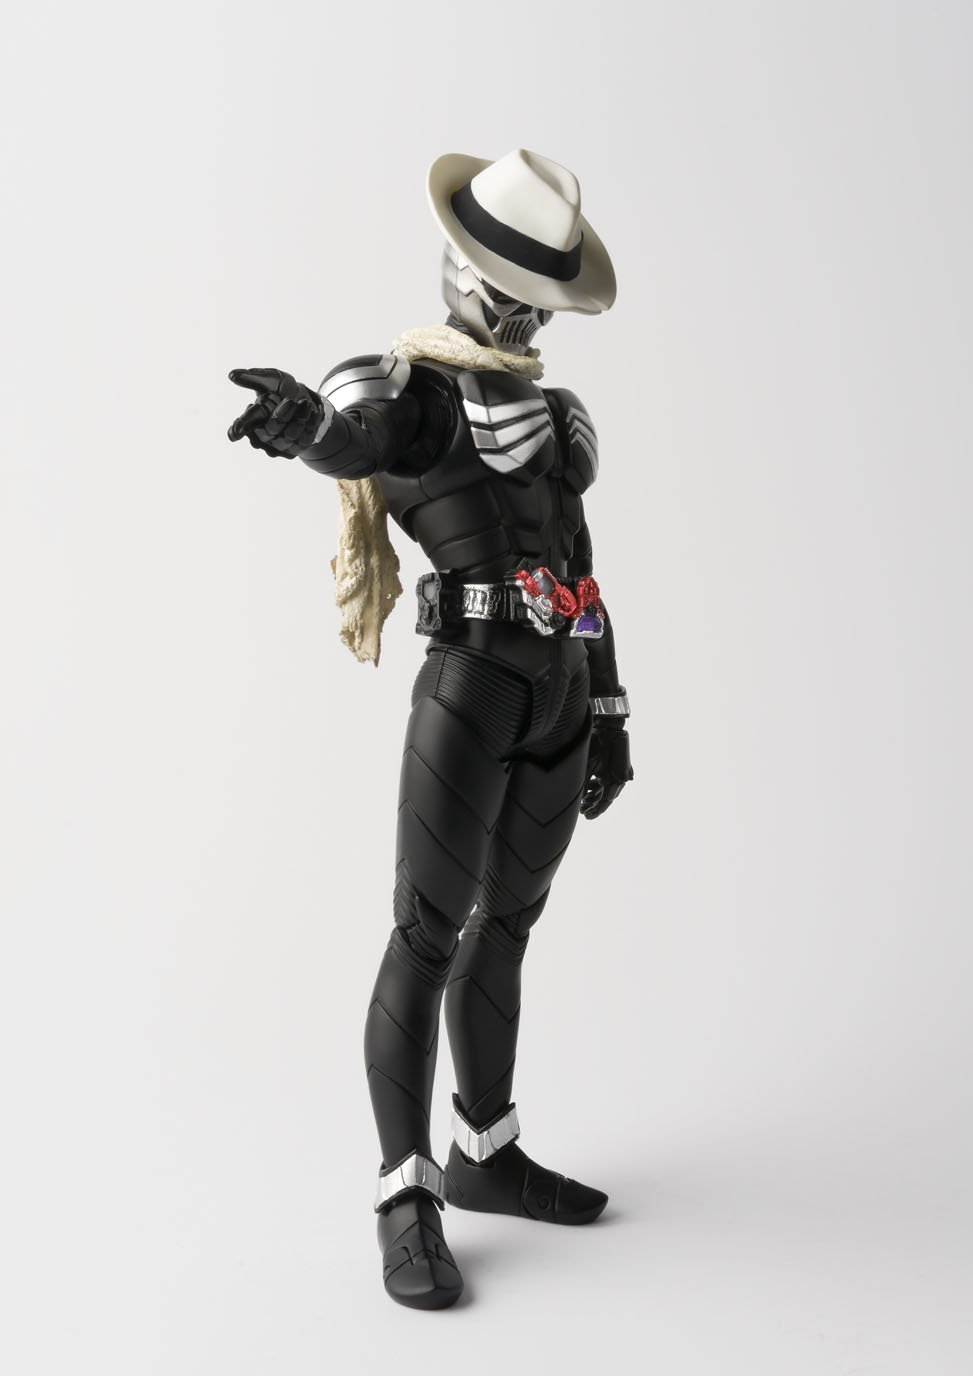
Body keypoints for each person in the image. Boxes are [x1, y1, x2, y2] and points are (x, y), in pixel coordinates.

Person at [228, 148, 634, 1310]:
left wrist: (609, 704)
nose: (517, 305)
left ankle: (485, 1152)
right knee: (424, 932)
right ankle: (406, 1197)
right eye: (506, 279)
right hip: (469, 685)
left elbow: (579, 568)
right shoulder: (412, 390)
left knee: (505, 926)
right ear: (461, 262)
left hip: (557, 692)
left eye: (536, 289)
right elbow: (359, 440)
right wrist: (306, 425)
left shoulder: (558, 417)